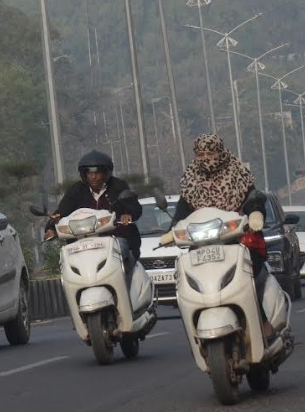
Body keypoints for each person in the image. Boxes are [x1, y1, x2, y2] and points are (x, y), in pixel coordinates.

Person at [167, 134, 273, 337]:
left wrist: (255, 213)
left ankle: (261, 317)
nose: (206, 158)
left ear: (220, 153)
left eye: (211, 153)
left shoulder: (238, 173)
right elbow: (183, 210)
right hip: (202, 243)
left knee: (250, 269)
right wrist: (173, 228)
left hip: (235, 239)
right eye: (201, 154)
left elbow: (253, 197)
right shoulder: (190, 178)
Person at [44, 150, 142, 272]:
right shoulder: (76, 191)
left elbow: (134, 207)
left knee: (124, 255)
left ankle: (124, 287)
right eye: (89, 173)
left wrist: (128, 214)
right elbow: (62, 211)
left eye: (97, 172)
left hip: (115, 240)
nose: (93, 176)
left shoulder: (118, 186)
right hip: (83, 243)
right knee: (68, 262)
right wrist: (51, 228)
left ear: (106, 172)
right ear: (84, 174)